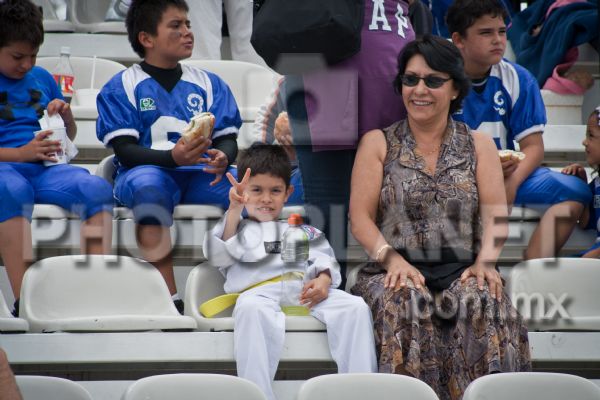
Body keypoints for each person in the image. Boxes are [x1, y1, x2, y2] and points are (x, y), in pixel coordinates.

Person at [349, 35, 531, 400]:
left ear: (454, 89)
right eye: (411, 79)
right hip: (393, 267)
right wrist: (392, 260)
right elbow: (359, 218)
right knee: (404, 299)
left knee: (482, 298)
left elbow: (496, 214)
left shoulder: (479, 144)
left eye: (433, 80)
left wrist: (486, 262)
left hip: (462, 265)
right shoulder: (378, 143)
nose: (420, 90)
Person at [96, 0, 242, 313]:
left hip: (200, 174)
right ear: (146, 38)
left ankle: (254, 282)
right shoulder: (123, 85)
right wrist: (173, 159)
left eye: (188, 24)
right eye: (176, 25)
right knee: (149, 189)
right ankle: (168, 298)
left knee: (248, 190)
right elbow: (125, 150)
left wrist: (223, 156)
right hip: (147, 171)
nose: (188, 32)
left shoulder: (208, 82)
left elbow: (228, 139)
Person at [203, 143, 377, 400]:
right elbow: (218, 255)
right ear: (242, 192)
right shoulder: (236, 229)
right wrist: (234, 209)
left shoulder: (301, 229)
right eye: (256, 190)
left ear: (288, 193)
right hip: (259, 295)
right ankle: (257, 395)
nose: (266, 198)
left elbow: (324, 259)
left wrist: (323, 281)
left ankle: (360, 392)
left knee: (355, 308)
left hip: (305, 294)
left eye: (275, 191)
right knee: (250, 309)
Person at [447, 0, 592, 259]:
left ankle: (534, 267)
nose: (498, 40)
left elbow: (533, 147)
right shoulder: (438, 76)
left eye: (502, 31)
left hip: (504, 174)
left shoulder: (518, 77)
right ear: (459, 40)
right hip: (452, 177)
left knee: (577, 190)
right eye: (485, 32)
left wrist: (511, 183)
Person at [285, 0, 416, 286]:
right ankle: (328, 295)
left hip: (390, 64)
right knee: (328, 210)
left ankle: (400, 295)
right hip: (326, 69)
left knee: (397, 201)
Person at [0, 0, 113, 315]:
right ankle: (26, 301)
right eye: (17, 57)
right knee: (10, 190)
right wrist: (21, 153)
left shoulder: (42, 78)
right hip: (6, 169)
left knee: (96, 189)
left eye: (33, 56)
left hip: (47, 169)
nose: (27, 64)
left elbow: (68, 137)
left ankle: (94, 295)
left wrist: (67, 117)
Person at [250, 77, 304, 205]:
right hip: (288, 168)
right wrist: (260, 151)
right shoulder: (287, 81)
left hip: (322, 169)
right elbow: (265, 120)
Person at [562, 106, 600, 257]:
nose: (584, 142)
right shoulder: (596, 184)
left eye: (591, 135)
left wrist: (588, 258)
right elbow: (585, 223)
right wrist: (581, 186)